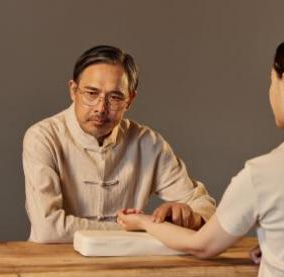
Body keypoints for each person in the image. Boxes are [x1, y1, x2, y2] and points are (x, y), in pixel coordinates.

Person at [118, 30, 284, 276]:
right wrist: (277, 246)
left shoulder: (264, 173)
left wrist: (142, 222)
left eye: (271, 82)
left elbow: (202, 245)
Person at [22, 45, 216, 243]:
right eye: (91, 93)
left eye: (115, 97)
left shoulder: (148, 143)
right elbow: (48, 229)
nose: (101, 108)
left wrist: (191, 217)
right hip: (56, 265)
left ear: (129, 100)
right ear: (73, 91)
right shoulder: (43, 137)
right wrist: (144, 226)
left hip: (126, 264)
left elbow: (203, 205)